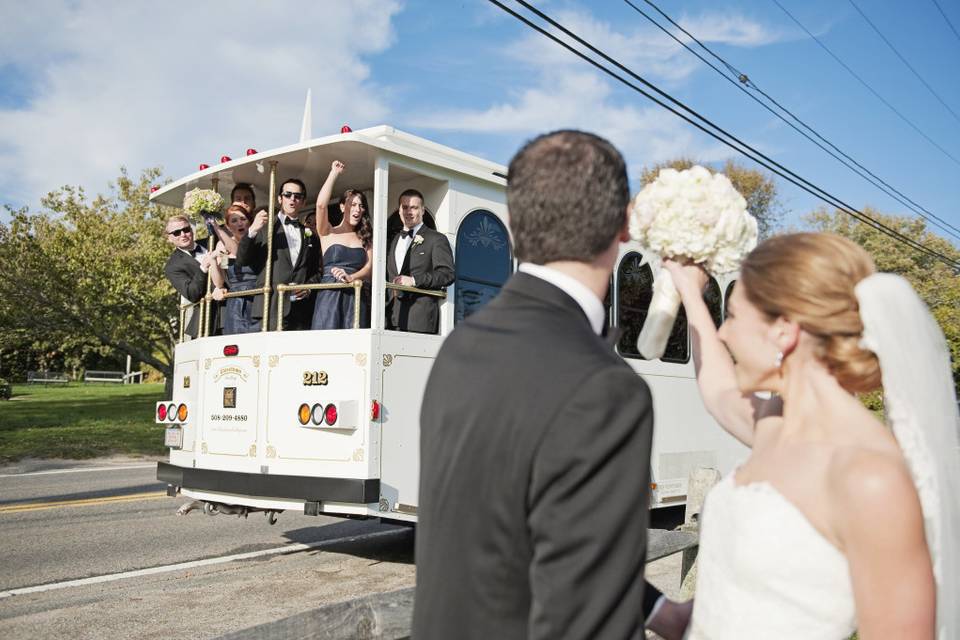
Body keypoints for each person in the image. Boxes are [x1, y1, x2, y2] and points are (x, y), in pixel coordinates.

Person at [413, 130, 690, 640]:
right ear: (624, 225)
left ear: (514, 226)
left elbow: (513, 529)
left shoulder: (460, 347)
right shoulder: (605, 389)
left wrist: (657, 611)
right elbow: (586, 620)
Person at [664, 232, 959, 639]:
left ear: (784, 331)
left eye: (732, 317)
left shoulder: (870, 478)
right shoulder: (774, 423)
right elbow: (718, 389)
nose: (725, 335)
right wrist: (690, 294)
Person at [235, 178, 320, 330]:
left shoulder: (309, 235)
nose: (292, 199)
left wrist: (308, 287)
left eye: (297, 196)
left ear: (303, 202)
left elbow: (316, 270)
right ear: (280, 198)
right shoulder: (265, 228)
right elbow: (242, 259)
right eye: (288, 194)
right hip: (271, 306)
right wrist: (252, 230)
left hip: (301, 311)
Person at [309, 161, 372, 330]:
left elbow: (370, 268)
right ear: (343, 206)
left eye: (361, 206)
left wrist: (352, 277)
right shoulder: (327, 231)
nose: (357, 209)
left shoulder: (365, 236)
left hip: (356, 296)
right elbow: (321, 205)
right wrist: (334, 173)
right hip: (330, 296)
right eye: (352, 204)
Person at [385, 188, 453, 334]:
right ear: (399, 211)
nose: (409, 212)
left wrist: (414, 281)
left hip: (419, 319)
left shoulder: (437, 239)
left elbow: (447, 274)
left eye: (414, 208)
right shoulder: (394, 240)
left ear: (422, 210)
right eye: (405, 207)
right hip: (391, 317)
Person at [163, 214, 219, 339]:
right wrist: (203, 267)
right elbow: (192, 294)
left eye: (186, 229)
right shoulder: (172, 267)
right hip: (207, 321)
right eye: (177, 232)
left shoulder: (211, 241)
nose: (183, 234)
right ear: (170, 238)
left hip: (232, 305)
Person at [208, 205, 260, 334]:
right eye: (234, 221)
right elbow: (220, 281)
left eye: (243, 219)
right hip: (235, 300)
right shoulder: (223, 246)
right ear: (228, 226)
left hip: (256, 296)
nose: (239, 223)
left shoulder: (257, 239)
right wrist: (213, 260)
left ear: (249, 221)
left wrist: (216, 227)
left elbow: (238, 251)